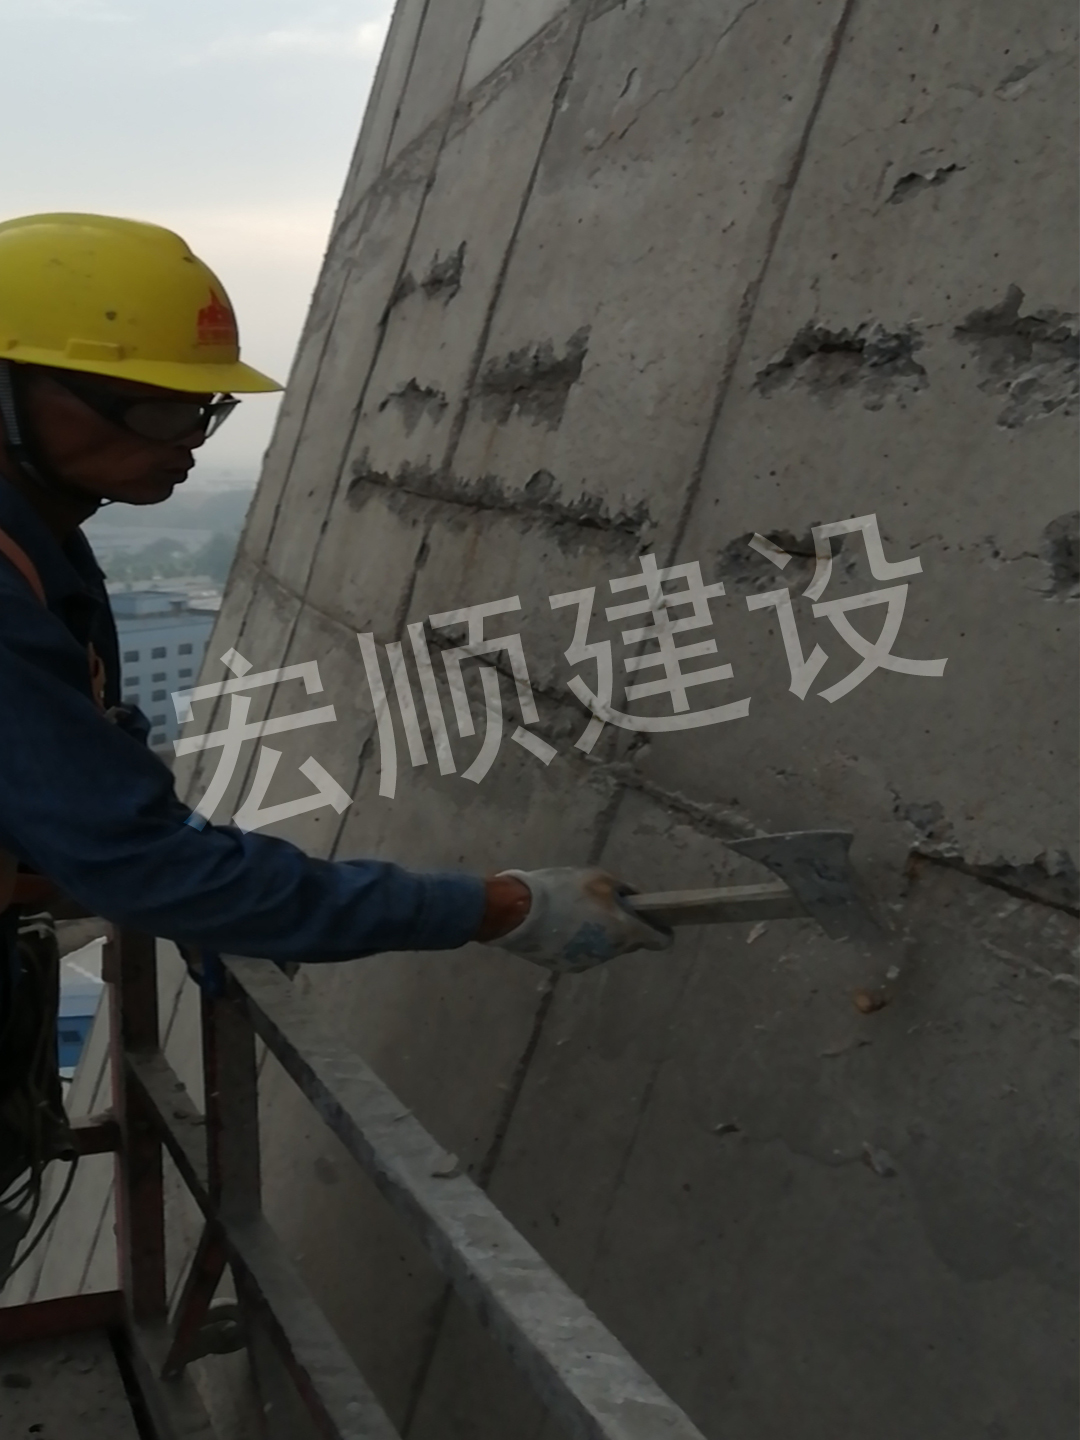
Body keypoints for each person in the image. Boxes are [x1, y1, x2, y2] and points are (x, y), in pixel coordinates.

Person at [0, 213, 670, 1281]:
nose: (186, 440)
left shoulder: (43, 544)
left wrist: (209, 894)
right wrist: (499, 909)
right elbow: (133, 855)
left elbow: (91, 786)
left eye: (204, 409)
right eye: (156, 405)